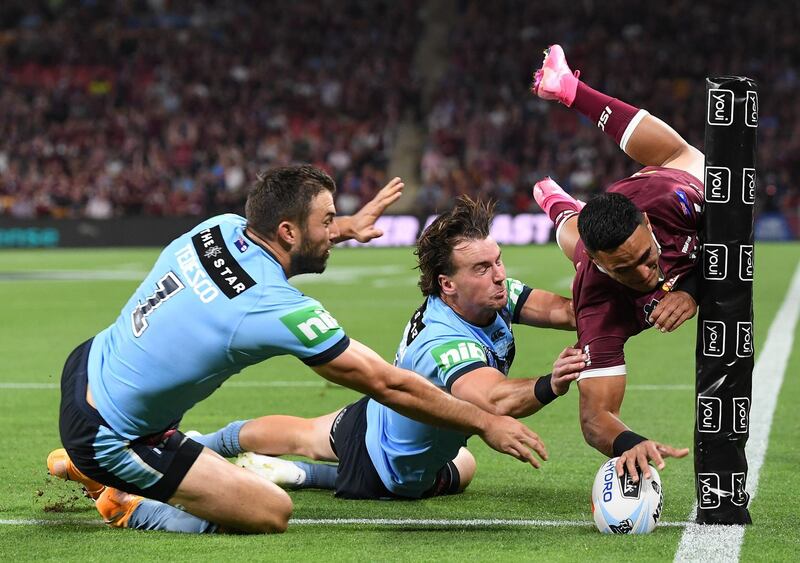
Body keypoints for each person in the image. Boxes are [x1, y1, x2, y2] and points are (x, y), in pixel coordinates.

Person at [46, 165, 552, 534]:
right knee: (269, 512)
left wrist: (347, 228)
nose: (336, 229)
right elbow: (387, 383)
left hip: (87, 366)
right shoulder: (274, 307)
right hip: (115, 433)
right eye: (328, 221)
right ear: (288, 231)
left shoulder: (217, 227)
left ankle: (89, 463)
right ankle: (123, 498)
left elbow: (266, 252)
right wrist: (486, 421)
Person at [192, 196, 585, 500]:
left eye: (498, 261)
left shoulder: (487, 295)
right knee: (461, 467)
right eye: (482, 268)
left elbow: (565, 311)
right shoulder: (444, 342)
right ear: (448, 284)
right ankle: (303, 475)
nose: (499, 276)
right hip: (393, 469)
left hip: (381, 411)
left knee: (303, 435)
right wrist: (552, 382)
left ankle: (199, 443)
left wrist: (638, 301)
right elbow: (493, 402)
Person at [530, 44, 700, 480]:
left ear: (646, 225)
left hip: (656, 179)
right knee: (574, 241)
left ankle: (569, 88)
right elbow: (594, 418)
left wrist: (692, 289)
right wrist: (628, 441)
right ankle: (560, 205)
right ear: (605, 268)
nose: (646, 274)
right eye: (625, 270)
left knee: (689, 156)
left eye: (645, 258)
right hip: (593, 244)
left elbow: (742, 228)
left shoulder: (671, 200)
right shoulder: (595, 295)